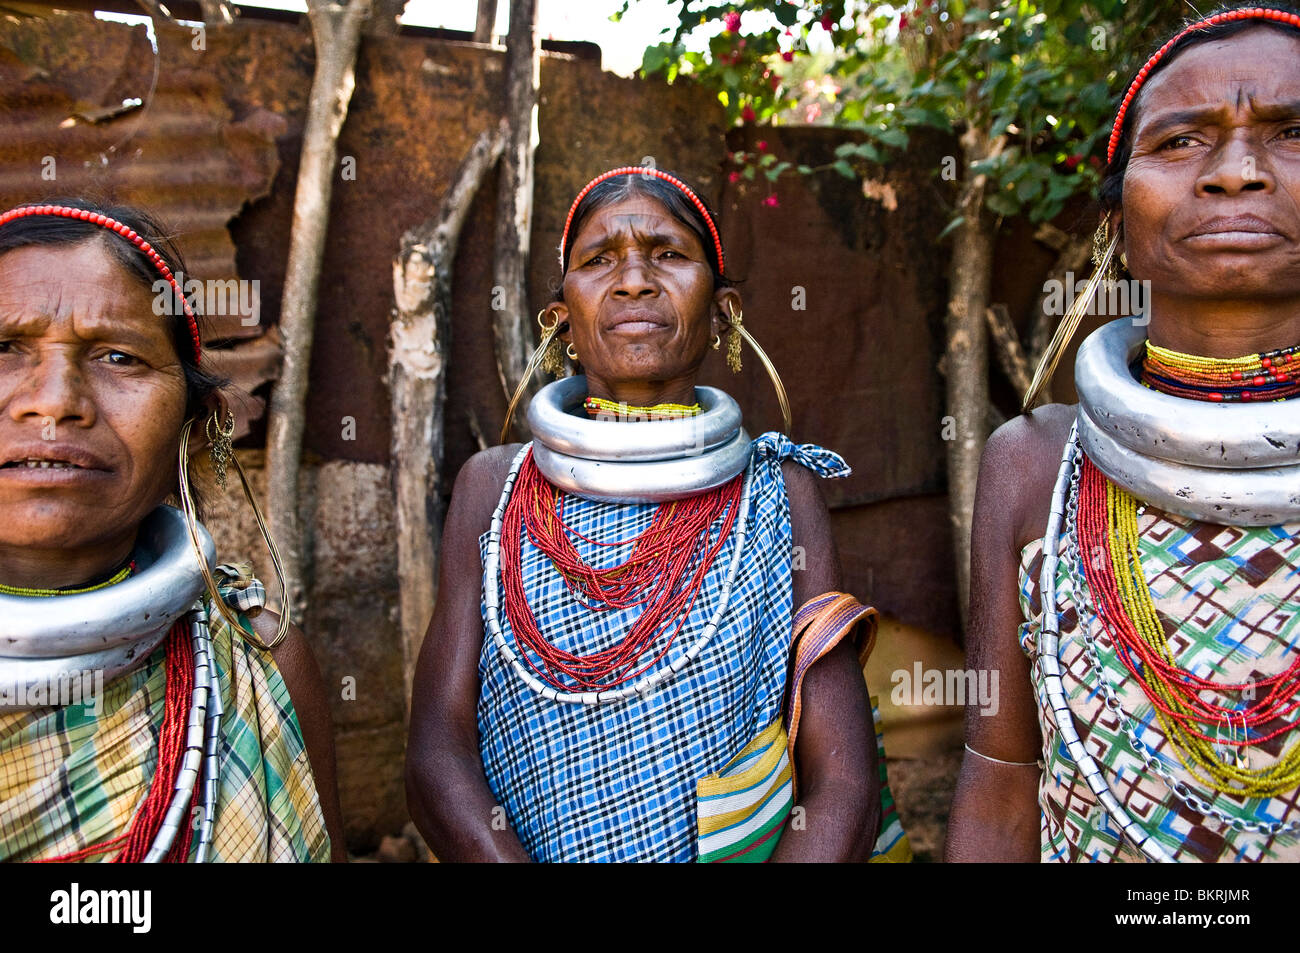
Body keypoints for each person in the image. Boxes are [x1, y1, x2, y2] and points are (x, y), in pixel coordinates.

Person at [407, 167, 909, 862]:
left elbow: (843, 783)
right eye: (598, 260)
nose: (635, 279)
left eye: (668, 253)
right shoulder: (493, 490)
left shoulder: (779, 491)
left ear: (724, 308)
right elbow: (437, 754)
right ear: (560, 321)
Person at [948, 3, 1300, 862]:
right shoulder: (1034, 464)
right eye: (1182, 141)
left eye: (1292, 133)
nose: (1237, 172)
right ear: (1115, 225)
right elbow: (999, 777)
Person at [0, 200, 345, 862]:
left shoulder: (259, 660)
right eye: (5, 347)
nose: (55, 400)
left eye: (118, 356)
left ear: (197, 427)